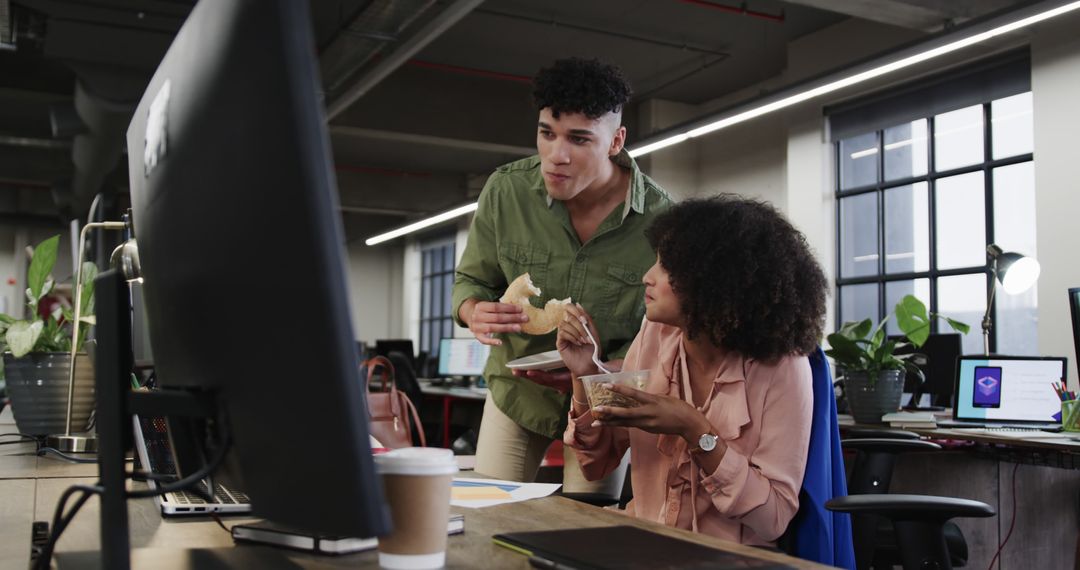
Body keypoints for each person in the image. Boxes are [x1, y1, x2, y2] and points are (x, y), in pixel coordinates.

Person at [452, 58, 672, 492]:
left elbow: (665, 333)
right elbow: (471, 282)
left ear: (615, 141)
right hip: (517, 393)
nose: (557, 156)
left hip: (604, 395)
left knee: (589, 530)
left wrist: (597, 369)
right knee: (489, 515)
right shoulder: (506, 191)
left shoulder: (663, 220)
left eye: (578, 139)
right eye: (546, 133)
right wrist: (473, 311)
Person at [557, 195, 828, 546]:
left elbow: (773, 517)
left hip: (730, 559)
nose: (647, 277)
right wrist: (584, 374)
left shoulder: (783, 367)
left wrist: (694, 429)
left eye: (666, 266)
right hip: (644, 544)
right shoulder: (655, 336)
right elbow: (596, 466)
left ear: (715, 280)